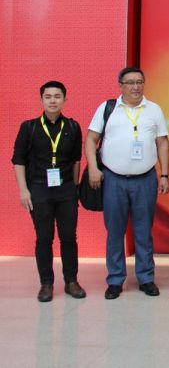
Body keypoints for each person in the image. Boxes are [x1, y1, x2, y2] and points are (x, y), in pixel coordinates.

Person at [85, 67, 169, 299]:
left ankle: (146, 278)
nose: (135, 87)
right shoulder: (107, 108)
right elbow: (91, 139)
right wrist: (93, 168)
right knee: (115, 231)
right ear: (120, 85)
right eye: (130, 82)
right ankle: (115, 280)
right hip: (113, 179)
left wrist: (164, 174)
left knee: (144, 231)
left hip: (145, 179)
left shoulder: (154, 109)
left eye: (139, 82)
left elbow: (162, 143)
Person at [12, 81, 86, 302]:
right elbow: (18, 160)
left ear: (64, 99)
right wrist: (23, 190)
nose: (53, 100)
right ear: (41, 100)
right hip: (39, 189)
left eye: (57, 96)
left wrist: (75, 188)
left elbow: (76, 160)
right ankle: (46, 284)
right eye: (48, 96)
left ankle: (71, 281)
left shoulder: (72, 127)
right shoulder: (29, 127)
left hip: (66, 190)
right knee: (44, 238)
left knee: (69, 237)